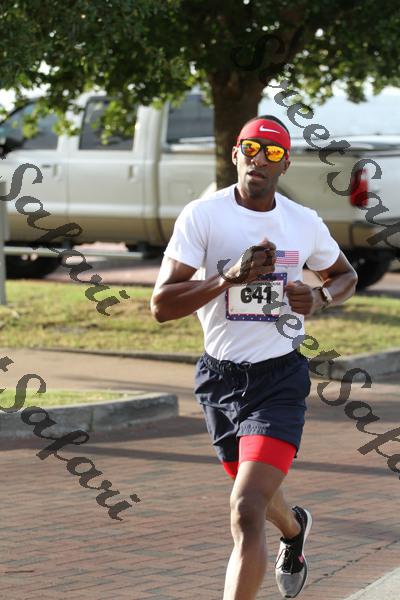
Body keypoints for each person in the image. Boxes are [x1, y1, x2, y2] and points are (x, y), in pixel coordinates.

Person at [150, 115, 358, 599]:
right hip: (218, 380)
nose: (258, 159)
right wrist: (228, 278)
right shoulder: (203, 216)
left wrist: (321, 297)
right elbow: (161, 306)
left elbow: (345, 275)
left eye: (273, 153)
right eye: (250, 149)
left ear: (285, 165)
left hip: (279, 379)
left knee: (245, 507)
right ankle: (295, 528)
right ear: (235, 154)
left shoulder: (302, 221)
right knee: (260, 498)